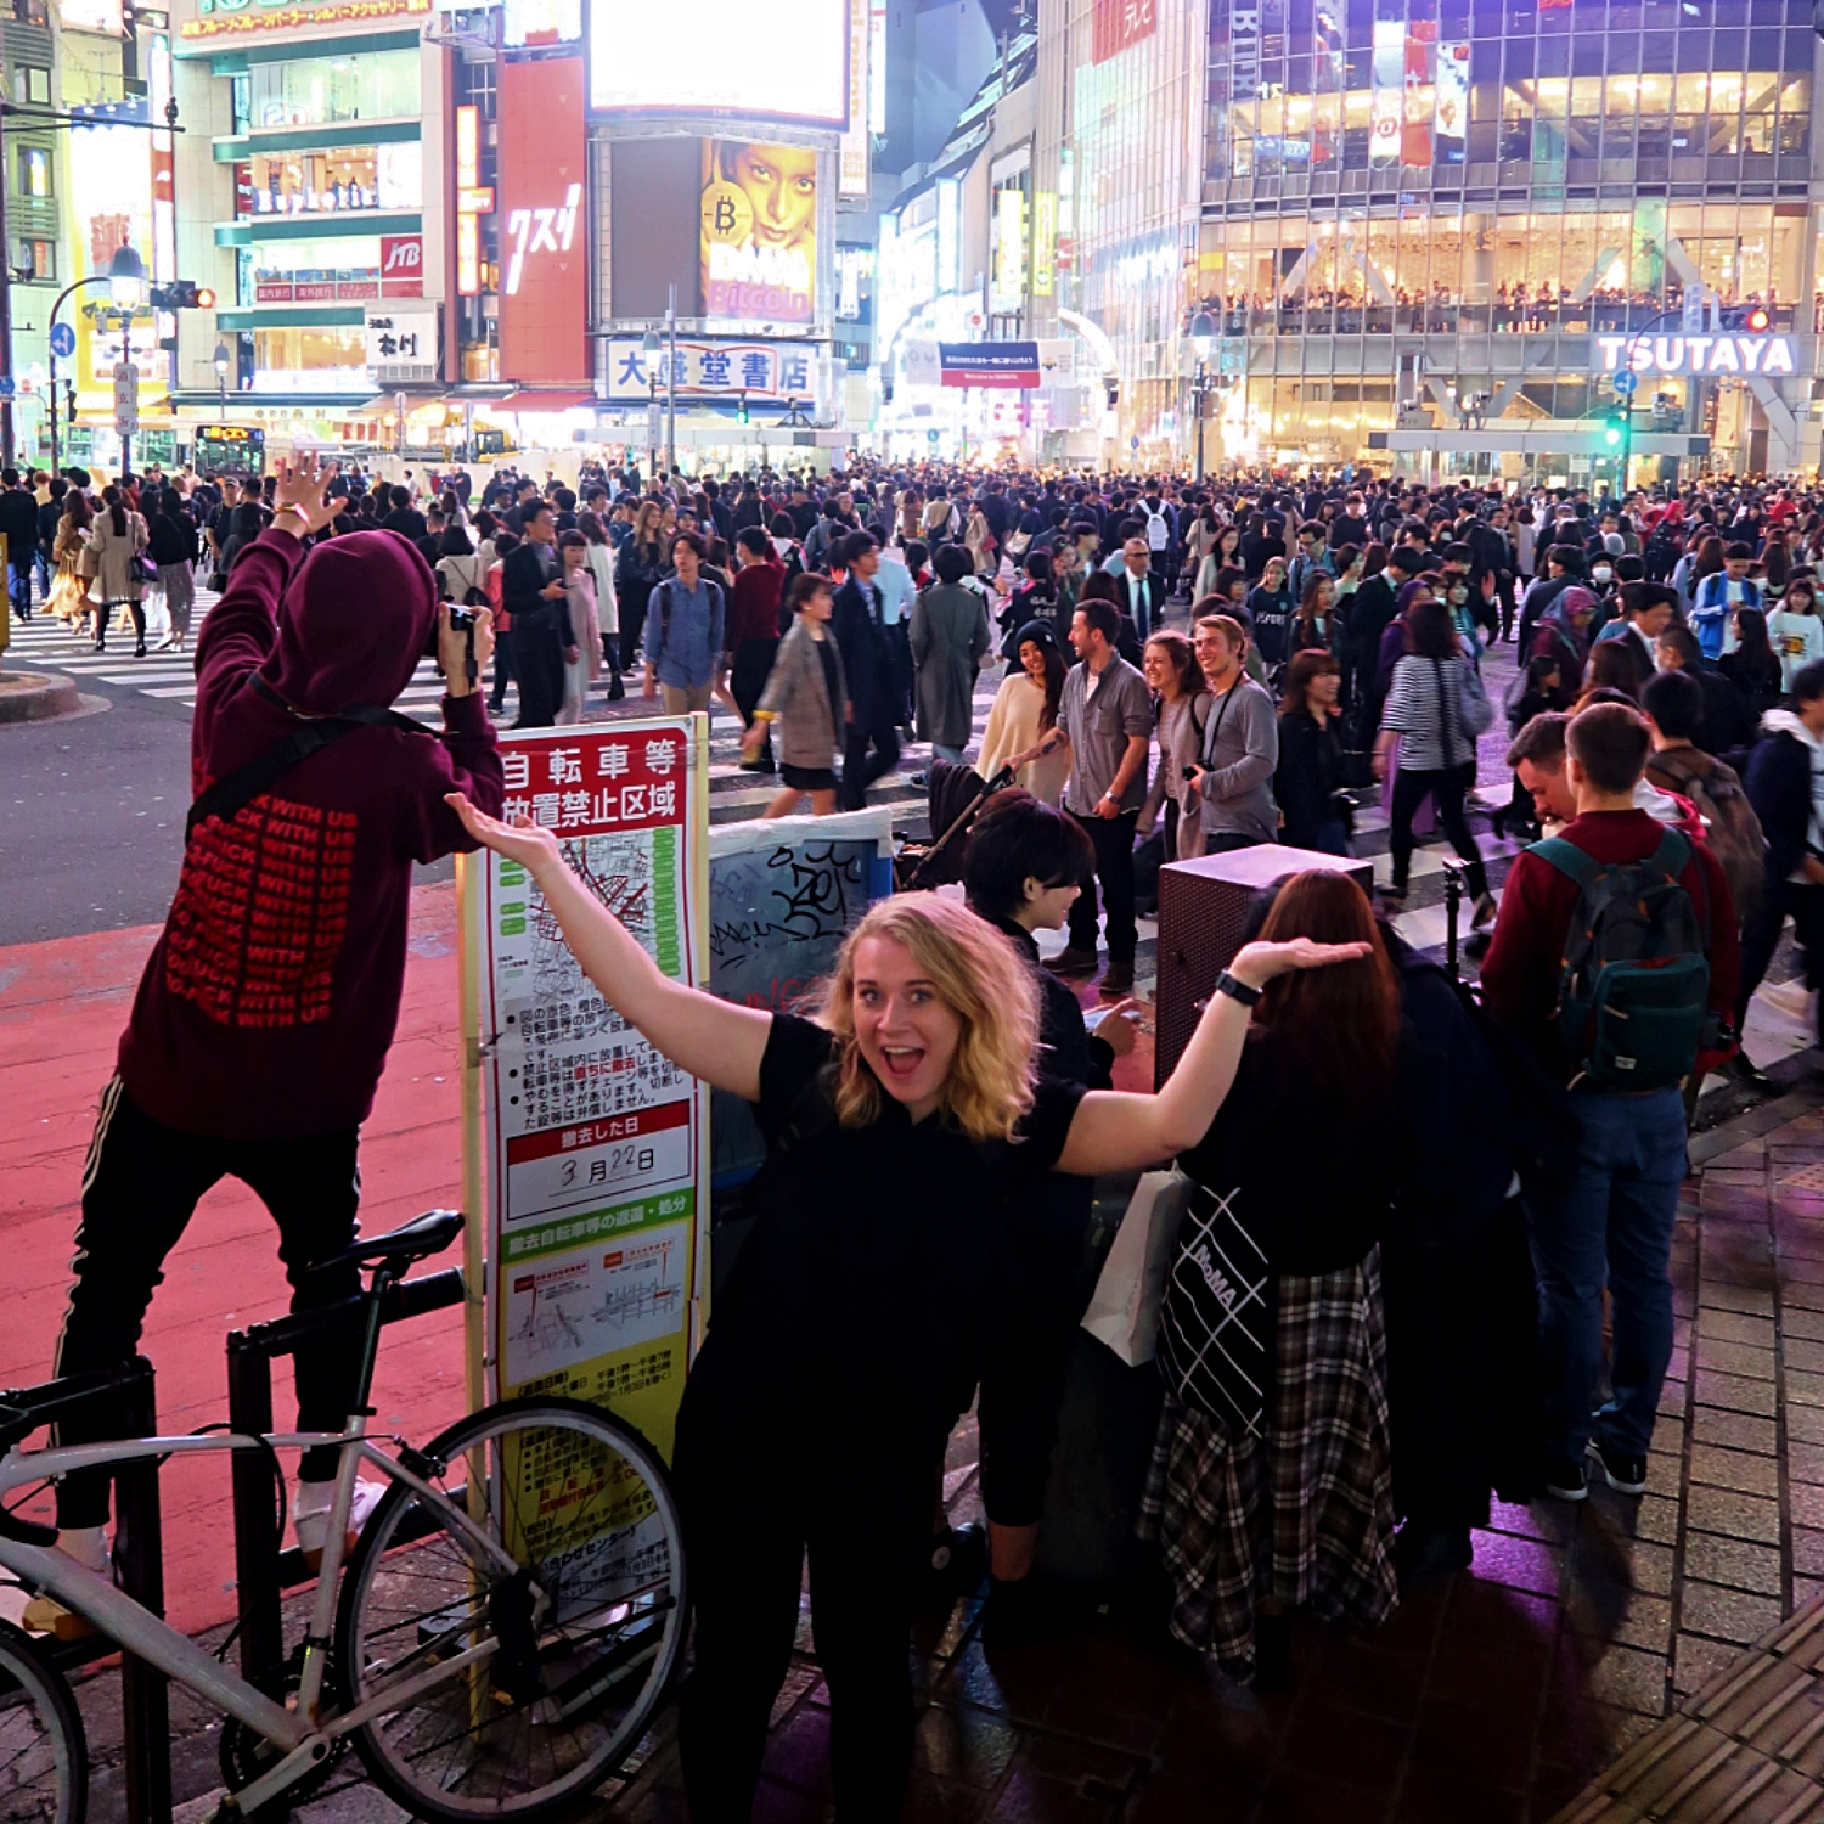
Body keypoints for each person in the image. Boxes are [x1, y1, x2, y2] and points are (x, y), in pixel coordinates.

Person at [441, 791, 1366, 1824]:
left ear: (971, 1002)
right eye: (870, 994)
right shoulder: (805, 1069)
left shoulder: (1017, 1120)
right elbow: (649, 998)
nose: (890, 1021)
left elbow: (1168, 1124)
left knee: (871, 1674)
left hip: (882, 1453)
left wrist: (1240, 984)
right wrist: (548, 863)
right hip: (746, 1428)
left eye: (920, 995)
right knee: (735, 1667)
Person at [30, 457, 503, 1634]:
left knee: (108, 1293)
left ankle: (78, 1560)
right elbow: (484, 805)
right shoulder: (403, 768)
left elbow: (241, 605)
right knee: (326, 1279)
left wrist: (287, 526)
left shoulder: (233, 705)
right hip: (311, 1096)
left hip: (173, 1073)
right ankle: (318, 1509)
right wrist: (463, 693)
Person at [1143, 871, 1402, 1686]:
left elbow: (1195, 1151)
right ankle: (1304, 1595)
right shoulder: (1388, 1039)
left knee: (1236, 1449)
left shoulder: (1252, 1054)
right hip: (1343, 1281)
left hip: (1246, 1281)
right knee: (1317, 1444)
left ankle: (1230, 1610)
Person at [1482, 703, 1739, 1501]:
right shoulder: (1690, 860)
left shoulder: (1547, 867)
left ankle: (1563, 1452)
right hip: (1660, 1102)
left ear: (1578, 768)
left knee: (1566, 1282)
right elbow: (1721, 973)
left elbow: (1503, 995)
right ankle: (1628, 1446)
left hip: (1575, 1103)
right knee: (1642, 1278)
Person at [959, 790, 1137, 1642]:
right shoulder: (1034, 995)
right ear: (1031, 885)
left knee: (931, 1396)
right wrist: (1103, 1053)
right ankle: (1014, 1587)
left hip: (940, 1231)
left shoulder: (942, 955)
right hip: (1023, 1242)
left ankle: (928, 1551)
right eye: (1069, 886)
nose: (1079, 899)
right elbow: (1065, 1123)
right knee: (1019, 1410)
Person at [1025, 598, 1152, 997]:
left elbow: (1138, 744)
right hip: (1078, 800)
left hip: (1113, 805)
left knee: (1116, 885)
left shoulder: (1129, 682)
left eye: (1076, 629)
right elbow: (1062, 731)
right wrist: (1023, 756)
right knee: (1077, 879)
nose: (1070, 636)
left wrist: (1115, 792)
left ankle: (1121, 960)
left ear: (1096, 634)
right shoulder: (1076, 677)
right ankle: (1080, 948)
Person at [1376, 596, 1495, 921]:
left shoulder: (1409, 666)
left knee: (1401, 825)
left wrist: (1381, 750)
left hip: (1418, 760)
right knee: (1457, 826)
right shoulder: (1458, 663)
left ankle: (1399, 887)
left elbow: (1399, 710)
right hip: (1456, 759)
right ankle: (1481, 891)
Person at [1737, 659, 1824, 1066]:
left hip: (1817, 874)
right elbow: (1761, 817)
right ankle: (1726, 1039)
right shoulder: (1780, 748)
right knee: (1751, 960)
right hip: (1777, 875)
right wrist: (1801, 860)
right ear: (1808, 701)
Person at [743, 571, 846, 817]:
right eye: (824, 597)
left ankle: (765, 831)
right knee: (818, 792)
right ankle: (771, 833)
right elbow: (778, 683)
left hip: (820, 731)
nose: (830, 602)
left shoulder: (823, 633)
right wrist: (760, 724)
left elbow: (834, 677)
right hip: (804, 733)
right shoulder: (795, 640)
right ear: (806, 602)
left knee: (802, 790)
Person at [1188, 612, 1280, 852]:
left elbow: (1262, 761)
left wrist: (1210, 783)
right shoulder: (1217, 695)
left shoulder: (1252, 697)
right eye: (1199, 643)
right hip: (1219, 826)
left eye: (1212, 642)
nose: (1203, 650)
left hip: (1243, 830)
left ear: (1237, 647)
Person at [833, 531, 901, 808]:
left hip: (879, 687)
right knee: (856, 752)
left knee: (890, 751)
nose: (876, 559)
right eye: (869, 554)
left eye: (876, 553)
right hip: (856, 689)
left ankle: (848, 791)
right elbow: (840, 649)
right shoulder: (844, 599)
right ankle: (852, 806)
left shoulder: (877, 592)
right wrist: (844, 696)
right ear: (853, 561)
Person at [909, 542, 989, 765]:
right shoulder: (972, 598)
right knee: (956, 722)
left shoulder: (925, 598)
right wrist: (970, 657)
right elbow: (983, 636)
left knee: (937, 722)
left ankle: (957, 772)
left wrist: (920, 661)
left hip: (932, 665)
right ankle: (938, 773)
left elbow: (917, 637)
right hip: (961, 664)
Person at [1136, 629, 1211, 863]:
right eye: (1147, 661)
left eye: (1159, 661)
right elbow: (1168, 761)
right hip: (1173, 805)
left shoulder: (1200, 703)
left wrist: (1192, 787)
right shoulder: (1162, 704)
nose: (1150, 667)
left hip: (1197, 808)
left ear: (1179, 666)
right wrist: (1150, 812)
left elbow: (1201, 759)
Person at [978, 622, 1071, 804]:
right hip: (1004, 784)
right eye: (1024, 653)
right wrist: (982, 779)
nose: (1032, 658)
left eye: (1037, 649)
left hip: (1044, 789)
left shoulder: (1070, 689)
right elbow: (992, 736)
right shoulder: (1012, 685)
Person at [499, 502, 574, 728]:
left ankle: (527, 733)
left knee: (555, 697)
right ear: (528, 525)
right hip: (528, 637)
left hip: (553, 637)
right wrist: (543, 594)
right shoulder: (516, 558)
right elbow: (511, 601)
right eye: (545, 521)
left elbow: (563, 602)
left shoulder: (556, 556)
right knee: (536, 702)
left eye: (552, 521)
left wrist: (569, 641)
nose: (551, 526)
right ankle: (536, 749)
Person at [643, 530, 728, 716]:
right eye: (678, 552)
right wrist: (648, 676)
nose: (683, 557)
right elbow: (653, 635)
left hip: (702, 670)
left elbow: (716, 631)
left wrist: (715, 666)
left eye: (689, 552)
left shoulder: (713, 593)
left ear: (699, 558)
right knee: (678, 729)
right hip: (672, 669)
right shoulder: (662, 592)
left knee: (700, 733)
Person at [1275, 647, 1349, 854]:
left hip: (1333, 818)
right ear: (1305, 682)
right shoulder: (1292, 726)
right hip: (1304, 827)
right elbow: (1290, 782)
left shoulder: (1332, 722)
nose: (1334, 682)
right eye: (1324, 675)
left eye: (1335, 674)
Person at [728, 526, 786, 769]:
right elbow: (776, 558)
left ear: (744, 547)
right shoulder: (775, 571)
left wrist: (731, 648)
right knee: (760, 694)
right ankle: (763, 752)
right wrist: (767, 540)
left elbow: (738, 617)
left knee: (743, 691)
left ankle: (760, 751)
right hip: (771, 641)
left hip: (750, 643)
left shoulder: (744, 578)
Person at [555, 530, 601, 724]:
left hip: (584, 645)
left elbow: (593, 614)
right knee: (569, 698)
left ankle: (571, 736)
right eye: (572, 550)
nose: (577, 555)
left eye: (581, 550)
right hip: (564, 646)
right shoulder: (556, 579)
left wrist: (596, 644)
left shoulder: (586, 578)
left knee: (579, 697)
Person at [148, 488, 199, 653]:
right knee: (183, 601)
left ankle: (167, 633)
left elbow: (152, 544)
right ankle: (180, 638)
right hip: (182, 564)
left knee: (164, 601)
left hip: (162, 566)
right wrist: (194, 565)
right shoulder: (186, 519)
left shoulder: (158, 520)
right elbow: (193, 545)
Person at [1691, 541, 1760, 660]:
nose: (1740, 571)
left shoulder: (1752, 588)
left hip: (1740, 653)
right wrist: (1724, 608)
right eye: (1736, 566)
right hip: (1711, 653)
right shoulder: (1710, 582)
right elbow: (1698, 614)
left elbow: (1758, 618)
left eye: (1744, 567)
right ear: (1725, 562)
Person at [1243, 554, 1294, 676]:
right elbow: (1249, 618)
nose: (1274, 576)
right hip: (1260, 644)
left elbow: (1290, 623)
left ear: (1284, 576)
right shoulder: (1256, 595)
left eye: (1278, 573)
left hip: (1278, 647)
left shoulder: (1287, 597)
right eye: (1271, 572)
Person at [0, 467, 39, 621]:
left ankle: (18, 611)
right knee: (25, 575)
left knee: (12, 576)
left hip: (8, 543)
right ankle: (26, 607)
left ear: (2, 481)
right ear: (17, 480)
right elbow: (35, 521)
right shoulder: (29, 499)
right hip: (27, 541)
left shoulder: (1, 501)